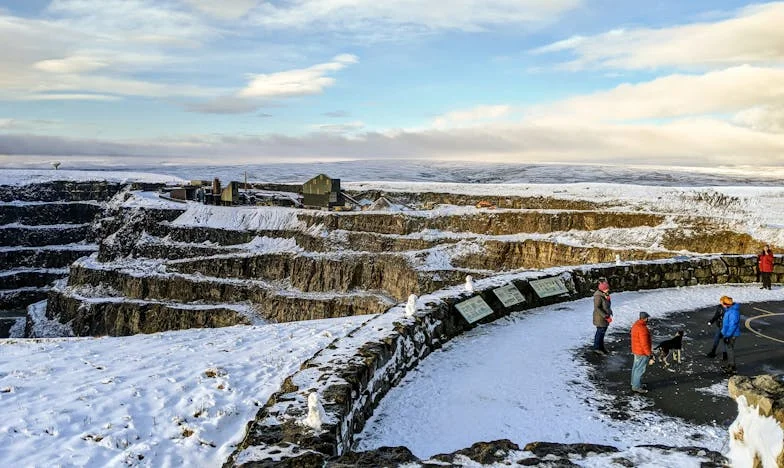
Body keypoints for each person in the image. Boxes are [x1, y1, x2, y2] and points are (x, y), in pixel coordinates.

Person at [630, 311, 653, 394]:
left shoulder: (636, 325)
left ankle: (634, 383)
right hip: (642, 352)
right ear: (645, 318)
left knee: (636, 368)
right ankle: (636, 387)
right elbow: (645, 344)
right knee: (640, 369)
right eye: (647, 318)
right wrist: (649, 354)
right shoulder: (642, 329)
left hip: (636, 350)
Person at [720, 296, 741, 374]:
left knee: (730, 349)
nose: (722, 305)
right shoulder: (729, 310)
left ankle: (732, 367)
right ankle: (730, 365)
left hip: (732, 334)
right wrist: (722, 333)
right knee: (729, 349)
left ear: (726, 304)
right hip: (728, 333)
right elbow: (726, 324)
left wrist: (728, 335)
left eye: (722, 303)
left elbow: (732, 325)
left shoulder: (733, 312)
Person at [592, 279, 613, 355]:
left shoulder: (605, 295)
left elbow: (606, 305)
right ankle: (596, 348)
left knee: (602, 333)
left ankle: (601, 347)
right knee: (600, 333)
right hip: (600, 318)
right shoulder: (598, 296)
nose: (608, 289)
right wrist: (606, 316)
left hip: (604, 318)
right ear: (602, 289)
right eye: (607, 288)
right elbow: (597, 308)